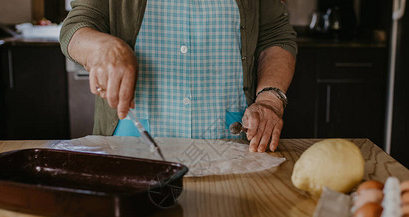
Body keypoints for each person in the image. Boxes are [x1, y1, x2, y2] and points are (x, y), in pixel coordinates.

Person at [60, 0, 297, 153]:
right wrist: (102, 49)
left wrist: (269, 99)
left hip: (232, 147)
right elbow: (78, 25)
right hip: (130, 146)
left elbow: (276, 35)